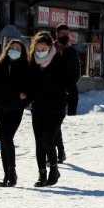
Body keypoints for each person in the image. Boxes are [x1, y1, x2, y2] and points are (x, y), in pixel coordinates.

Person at [27, 32, 74, 187]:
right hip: (39, 107)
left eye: (44, 48)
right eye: (38, 49)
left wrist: (70, 102)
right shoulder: (32, 62)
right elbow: (28, 83)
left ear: (50, 47)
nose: (40, 51)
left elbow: (70, 83)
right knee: (39, 142)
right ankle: (42, 174)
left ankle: (54, 169)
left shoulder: (59, 61)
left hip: (56, 107)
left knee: (47, 139)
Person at [0, 40, 31, 187]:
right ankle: (8, 174)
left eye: (18, 48)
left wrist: (22, 99)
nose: (15, 50)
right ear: (7, 49)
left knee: (7, 138)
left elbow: (30, 90)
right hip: (0, 108)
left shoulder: (26, 68)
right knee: (4, 141)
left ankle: (11, 171)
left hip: (15, 110)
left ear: (22, 51)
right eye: (12, 48)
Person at [53, 24, 81, 164]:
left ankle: (59, 150)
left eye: (67, 33)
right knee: (52, 123)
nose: (65, 36)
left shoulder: (72, 52)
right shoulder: (49, 48)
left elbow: (76, 73)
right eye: (62, 33)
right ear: (57, 34)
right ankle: (59, 151)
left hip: (65, 92)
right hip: (50, 92)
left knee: (56, 122)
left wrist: (65, 86)